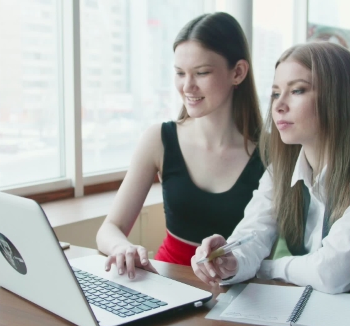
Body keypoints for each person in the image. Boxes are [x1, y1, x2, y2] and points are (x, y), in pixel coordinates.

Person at [192, 41, 350, 307]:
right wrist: (230, 262)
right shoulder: (281, 169)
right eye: (276, 93)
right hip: (322, 313)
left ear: (338, 97)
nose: (279, 106)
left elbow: (332, 273)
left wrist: (265, 268)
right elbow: (252, 235)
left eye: (297, 90)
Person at [96, 12, 264, 279]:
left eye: (202, 73)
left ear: (238, 72)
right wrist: (121, 247)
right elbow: (109, 228)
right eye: (179, 73)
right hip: (167, 284)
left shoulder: (269, 155)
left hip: (239, 293)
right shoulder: (158, 140)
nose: (187, 86)